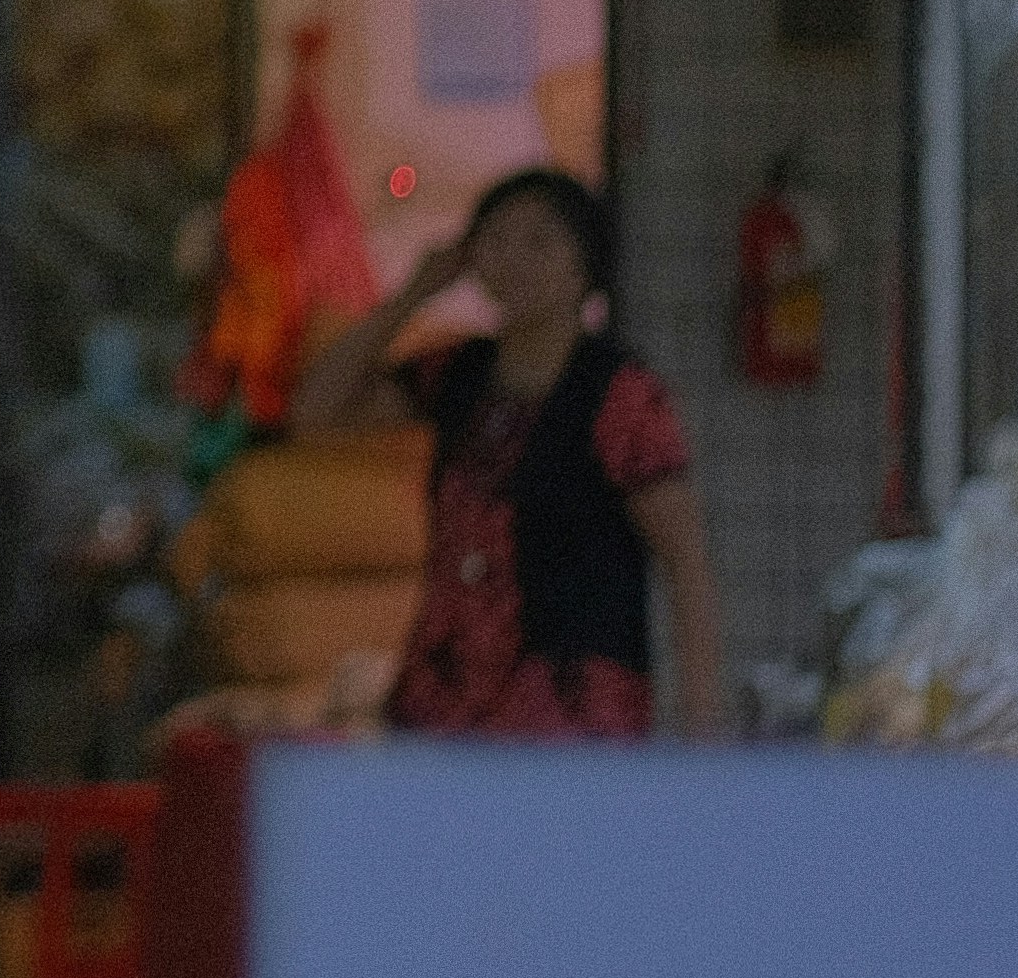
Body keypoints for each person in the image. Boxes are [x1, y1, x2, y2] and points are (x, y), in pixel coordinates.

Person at [288, 166, 725, 741]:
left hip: (572, 719)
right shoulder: (459, 373)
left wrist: (702, 731)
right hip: (442, 706)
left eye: (539, 241)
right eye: (494, 239)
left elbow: (684, 561)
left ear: (585, 268)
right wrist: (414, 293)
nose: (514, 258)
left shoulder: (620, 396)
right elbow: (315, 410)